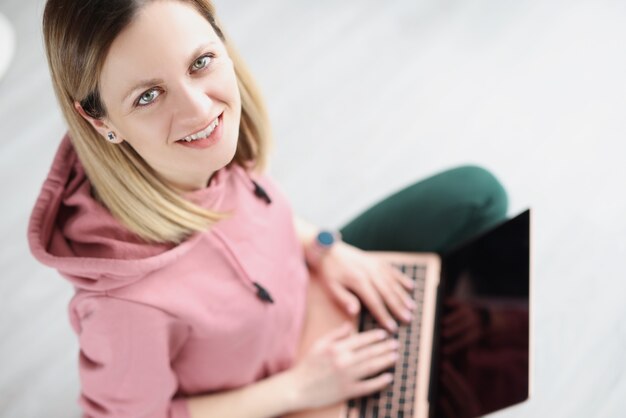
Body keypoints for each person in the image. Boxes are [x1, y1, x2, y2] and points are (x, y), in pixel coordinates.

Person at [28, 0, 509, 417]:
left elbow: (242, 222)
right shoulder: (122, 306)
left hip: (307, 309)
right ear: (98, 118)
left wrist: (325, 248)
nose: (199, 112)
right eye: (148, 96)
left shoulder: (202, 151)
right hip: (273, 398)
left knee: (476, 194)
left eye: (200, 63)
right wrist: (302, 388)